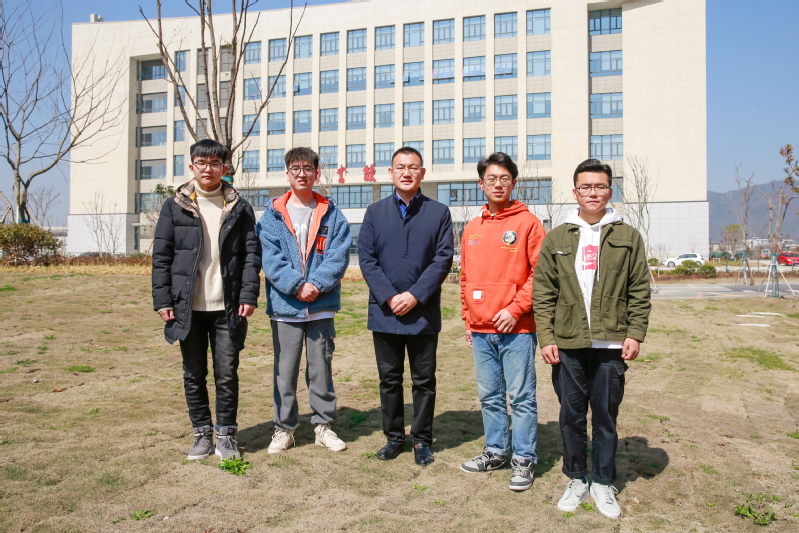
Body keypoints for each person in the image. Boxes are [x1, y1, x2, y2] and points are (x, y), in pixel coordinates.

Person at [533, 159, 651, 518]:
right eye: (586, 186)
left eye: (600, 186)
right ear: (575, 192)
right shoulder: (557, 237)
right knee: (570, 416)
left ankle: (602, 481)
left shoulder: (628, 237)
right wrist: (546, 337)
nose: (593, 193)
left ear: (610, 191)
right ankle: (576, 477)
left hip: (610, 343)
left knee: (605, 416)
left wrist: (635, 333)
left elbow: (639, 289)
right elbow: (543, 292)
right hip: (568, 343)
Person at [152, 139, 262, 461]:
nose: (208, 169)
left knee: (227, 374)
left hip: (227, 306)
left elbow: (251, 255)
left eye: (215, 163)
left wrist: (248, 294)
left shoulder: (239, 207)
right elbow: (162, 256)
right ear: (192, 167)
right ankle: (201, 434)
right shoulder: (175, 206)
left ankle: (226, 436)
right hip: (188, 306)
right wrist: (163, 300)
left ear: (223, 168)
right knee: (194, 374)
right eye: (202, 163)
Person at [358, 146, 454, 466]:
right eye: (400, 167)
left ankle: (422, 440)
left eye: (413, 167)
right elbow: (367, 259)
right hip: (385, 312)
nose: (407, 172)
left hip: (422, 312)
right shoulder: (375, 213)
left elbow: (443, 259)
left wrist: (414, 295)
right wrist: (389, 296)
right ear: (391, 173)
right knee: (390, 379)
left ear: (422, 173)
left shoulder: (438, 213)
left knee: (423, 380)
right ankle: (394, 438)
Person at [458, 152, 545, 491]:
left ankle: (524, 459)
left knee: (521, 397)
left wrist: (515, 310)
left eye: (504, 178)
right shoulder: (472, 228)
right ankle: (495, 451)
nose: (498, 184)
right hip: (481, 330)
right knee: (490, 396)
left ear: (513, 183)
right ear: (481, 184)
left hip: (517, 328)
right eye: (491, 179)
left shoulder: (528, 223)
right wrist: (468, 320)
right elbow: (466, 278)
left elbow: (541, 274)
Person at [257, 147, 351, 455]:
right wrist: (297, 286)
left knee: (320, 369)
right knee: (285, 371)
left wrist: (316, 285)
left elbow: (338, 255)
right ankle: (284, 429)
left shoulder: (331, 213)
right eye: (295, 168)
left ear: (316, 173)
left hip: (320, 306)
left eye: (307, 168)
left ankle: (323, 426)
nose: (302, 173)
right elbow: (271, 259)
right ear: (287, 173)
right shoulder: (272, 214)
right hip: (286, 307)